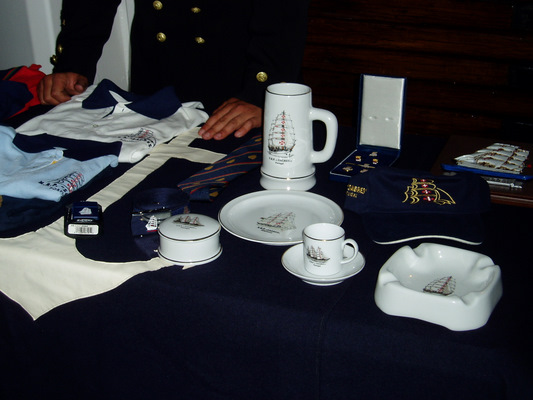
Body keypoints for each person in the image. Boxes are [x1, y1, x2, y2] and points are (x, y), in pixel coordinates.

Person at [38, 0, 310, 140]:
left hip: (237, 78)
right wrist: (74, 60)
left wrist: (263, 93)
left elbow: (283, 14)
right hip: (157, 72)